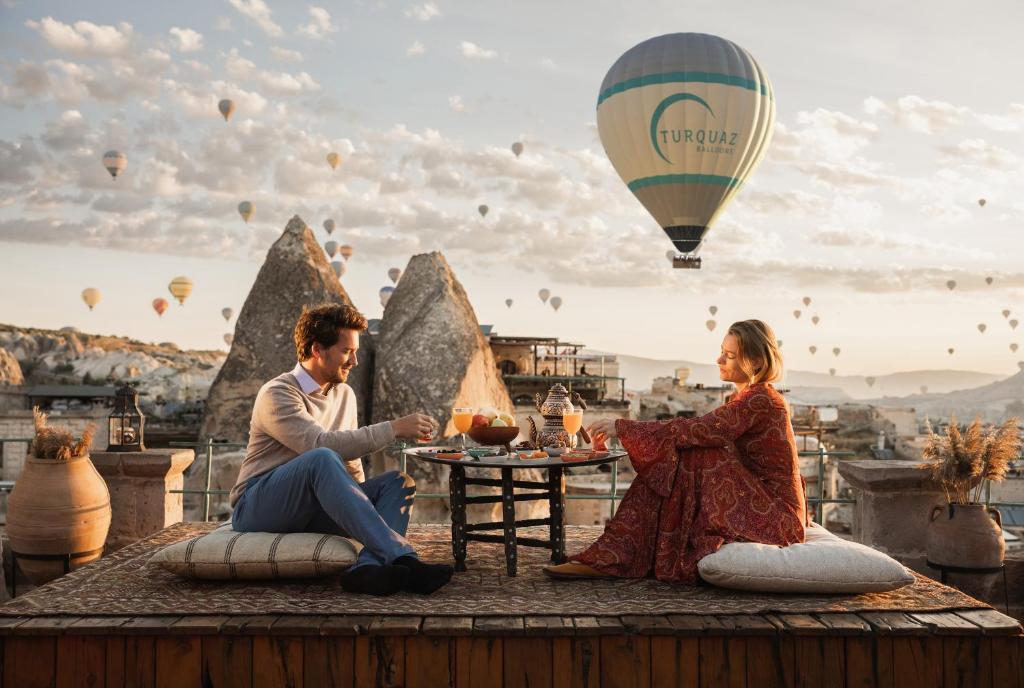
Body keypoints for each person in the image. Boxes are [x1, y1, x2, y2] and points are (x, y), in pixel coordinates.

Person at [543, 319, 806, 584]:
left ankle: (618, 553)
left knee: (698, 452)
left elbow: (702, 429)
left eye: (729, 355)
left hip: (779, 519)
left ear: (757, 362)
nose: (719, 360)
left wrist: (622, 428)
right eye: (721, 352)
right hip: (759, 502)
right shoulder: (745, 398)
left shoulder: (761, 400)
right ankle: (617, 551)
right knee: (691, 450)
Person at [230, 303, 454, 596]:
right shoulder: (278, 393)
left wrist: (357, 504)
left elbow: (350, 462)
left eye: (356, 351)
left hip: (316, 508)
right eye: (347, 351)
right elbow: (319, 445)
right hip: (260, 507)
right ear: (317, 350)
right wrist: (394, 428)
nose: (355, 361)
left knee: (399, 482)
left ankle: (366, 570)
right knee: (321, 456)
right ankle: (403, 558)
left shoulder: (344, 394)